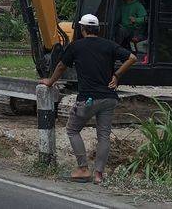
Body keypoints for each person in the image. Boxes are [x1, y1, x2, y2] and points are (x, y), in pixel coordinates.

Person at [41, 14, 137, 184]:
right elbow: (132, 58)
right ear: (98, 29)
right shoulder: (109, 45)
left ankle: (83, 169)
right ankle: (99, 174)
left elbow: (62, 66)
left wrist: (50, 81)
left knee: (72, 130)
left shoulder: (76, 46)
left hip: (88, 99)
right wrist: (117, 75)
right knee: (104, 136)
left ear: (83, 29)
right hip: (109, 98)